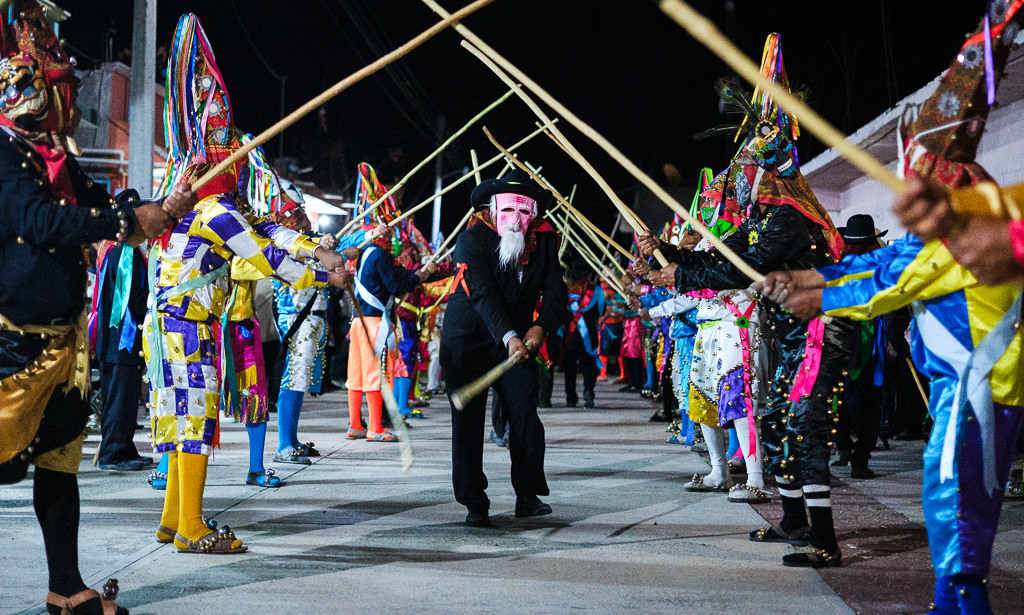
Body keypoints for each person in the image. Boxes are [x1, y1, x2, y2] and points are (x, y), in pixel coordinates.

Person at [760, 5, 1024, 610]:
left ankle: (960, 607)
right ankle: (949, 603)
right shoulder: (947, 235)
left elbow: (881, 284)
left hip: (978, 388)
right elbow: (879, 266)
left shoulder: (970, 231)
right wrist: (807, 277)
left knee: (955, 509)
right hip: (970, 390)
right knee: (953, 507)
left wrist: (814, 290)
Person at [0, 3, 198, 612]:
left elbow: (107, 205)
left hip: (63, 341)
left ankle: (66, 589)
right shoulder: (5, 155)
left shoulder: (57, 162)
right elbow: (39, 221)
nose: (66, 101)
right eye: (55, 85)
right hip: (11, 343)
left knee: (61, 466)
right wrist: (120, 218)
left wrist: (160, 205)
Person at [640, 34, 854, 568]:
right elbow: (726, 250)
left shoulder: (791, 217)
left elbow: (739, 266)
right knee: (778, 418)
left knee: (803, 423)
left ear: (771, 170)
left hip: (818, 330)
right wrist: (667, 253)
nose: (743, 183)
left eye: (751, 172)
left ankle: (823, 537)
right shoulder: (765, 217)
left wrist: (680, 272)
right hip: (787, 332)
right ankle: (795, 519)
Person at [145, 13, 350, 555]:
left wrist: (317, 249)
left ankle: (173, 520)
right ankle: (191, 525)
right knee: (192, 422)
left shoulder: (219, 207)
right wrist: (319, 271)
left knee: (183, 419)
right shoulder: (213, 209)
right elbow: (263, 256)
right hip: (186, 328)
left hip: (176, 324)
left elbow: (271, 231)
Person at [440, 168, 568, 528]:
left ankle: (527, 495)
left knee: (525, 413)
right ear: (492, 210)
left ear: (535, 215)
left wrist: (541, 327)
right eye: (508, 210)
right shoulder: (472, 240)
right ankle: (474, 502)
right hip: (468, 341)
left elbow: (557, 294)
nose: (516, 220)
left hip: (519, 342)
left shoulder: (545, 242)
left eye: (524, 212)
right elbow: (482, 294)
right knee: (467, 424)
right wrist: (509, 335)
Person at [345, 163, 436, 442]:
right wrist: (418, 278)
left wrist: (416, 274)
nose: (392, 233)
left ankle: (355, 425)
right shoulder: (379, 255)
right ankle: (375, 428)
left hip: (359, 323)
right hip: (375, 324)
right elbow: (395, 286)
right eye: (388, 229)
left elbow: (396, 276)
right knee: (376, 375)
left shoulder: (364, 254)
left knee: (357, 375)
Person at [829, 214, 888, 479]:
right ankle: (860, 460)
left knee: (839, 401)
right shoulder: (874, 268)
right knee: (868, 405)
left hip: (839, 344)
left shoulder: (838, 268)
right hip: (865, 345)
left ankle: (844, 447)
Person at [90, 234, 153, 471]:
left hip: (110, 338)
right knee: (121, 398)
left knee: (118, 398)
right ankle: (113, 453)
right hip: (123, 338)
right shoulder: (126, 254)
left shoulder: (108, 249)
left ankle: (123, 448)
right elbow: (134, 297)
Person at [563, 257, 604, 408]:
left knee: (570, 367)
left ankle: (571, 398)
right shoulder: (597, 292)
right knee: (589, 366)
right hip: (589, 335)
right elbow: (601, 311)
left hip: (570, 335)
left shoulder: (565, 291)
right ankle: (588, 394)